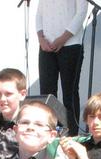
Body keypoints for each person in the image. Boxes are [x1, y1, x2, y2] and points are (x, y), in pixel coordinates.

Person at [36, 0, 88, 134]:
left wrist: (63, 38)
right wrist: (41, 39)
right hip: (46, 46)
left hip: (71, 45)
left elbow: (81, 13)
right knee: (47, 92)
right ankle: (49, 131)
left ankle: (70, 133)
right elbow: (39, 14)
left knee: (69, 93)